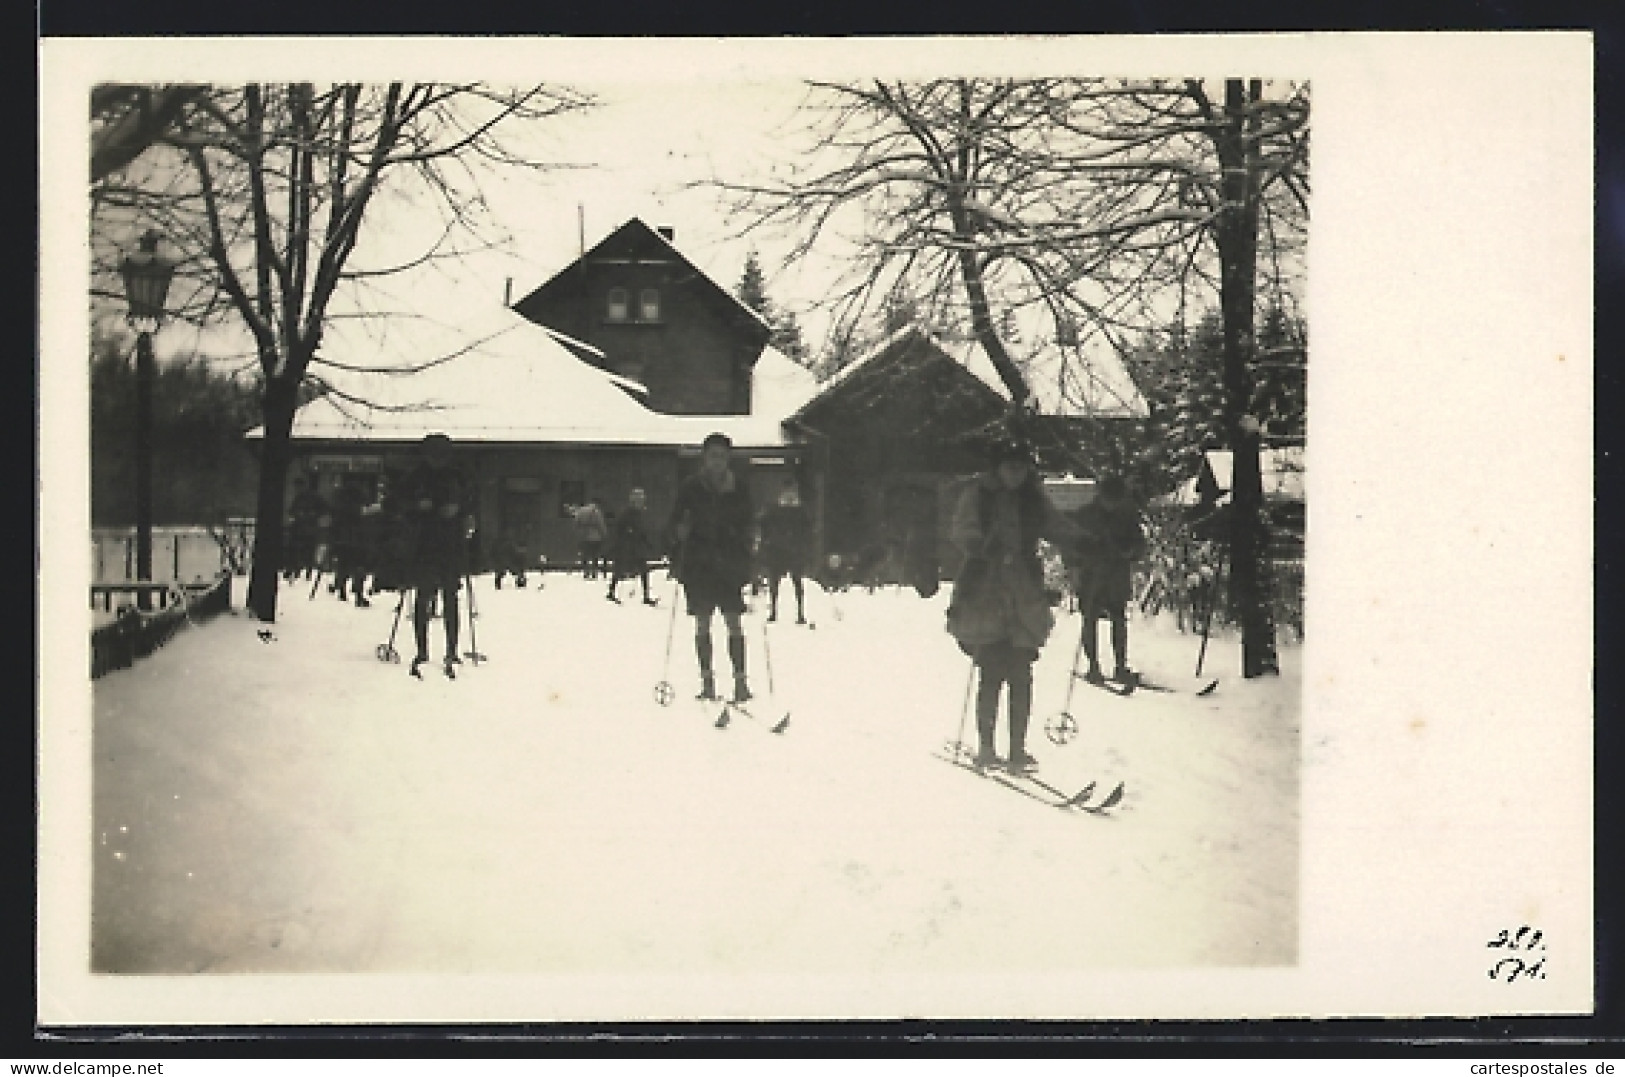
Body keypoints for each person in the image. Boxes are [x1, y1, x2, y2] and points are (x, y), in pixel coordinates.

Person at [945, 437, 1078, 774]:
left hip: (1023, 590)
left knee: (1021, 672)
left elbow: (1056, 525)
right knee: (991, 669)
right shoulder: (979, 495)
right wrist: (979, 545)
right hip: (984, 587)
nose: (1016, 475)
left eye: (1022, 468)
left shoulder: (1033, 498)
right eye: (1010, 468)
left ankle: (1017, 748)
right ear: (998, 468)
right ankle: (987, 747)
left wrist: (1084, 540)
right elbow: (961, 530)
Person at [667, 432, 755, 702]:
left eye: (722, 456)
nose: (717, 461)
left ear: (728, 458)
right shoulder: (691, 487)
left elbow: (748, 521)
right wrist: (678, 531)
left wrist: (751, 544)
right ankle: (707, 682)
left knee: (733, 621)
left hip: (729, 562)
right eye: (712, 455)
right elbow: (674, 520)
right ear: (705, 458)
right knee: (703, 622)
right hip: (699, 563)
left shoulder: (739, 488)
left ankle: (740, 683)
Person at [394, 433, 475, 678]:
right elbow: (399, 505)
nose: (436, 459)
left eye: (441, 455)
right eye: (432, 454)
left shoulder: (458, 476)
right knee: (424, 594)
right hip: (424, 543)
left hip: (451, 543)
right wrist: (417, 508)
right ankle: (422, 650)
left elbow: (470, 505)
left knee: (451, 596)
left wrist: (461, 514)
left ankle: (451, 649)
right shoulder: (415, 477)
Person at [1069, 474, 1148, 686]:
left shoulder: (1127, 516)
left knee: (1119, 620)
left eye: (1116, 498)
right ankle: (1093, 666)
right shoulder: (1084, 516)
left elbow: (1139, 544)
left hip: (1116, 576)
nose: (1111, 503)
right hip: (1090, 576)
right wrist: (1076, 566)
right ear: (1100, 495)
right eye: (1108, 498)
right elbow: (1070, 543)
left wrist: (1129, 551)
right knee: (1090, 620)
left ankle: (1120, 666)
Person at [756, 481, 813, 624]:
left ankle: (800, 613)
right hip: (778, 550)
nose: (789, 495)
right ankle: (774, 611)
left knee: (797, 582)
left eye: (791, 492)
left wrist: (805, 545)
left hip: (794, 550)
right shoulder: (774, 510)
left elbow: (808, 530)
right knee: (774, 582)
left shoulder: (800, 511)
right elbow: (763, 525)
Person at [607, 487, 658, 605]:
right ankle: (611, 591)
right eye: (640, 500)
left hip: (636, 545)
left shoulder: (639, 513)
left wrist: (647, 542)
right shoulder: (627, 513)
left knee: (643, 569)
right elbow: (619, 528)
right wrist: (627, 533)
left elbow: (641, 530)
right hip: (627, 545)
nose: (642, 503)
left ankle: (646, 595)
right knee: (620, 568)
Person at [327, 475, 371, 606]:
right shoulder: (359, 496)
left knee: (344, 565)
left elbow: (333, 516)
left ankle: (342, 589)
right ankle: (357, 593)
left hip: (342, 536)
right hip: (356, 536)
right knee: (358, 565)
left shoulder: (338, 497)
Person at [283, 476, 327, 581]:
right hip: (299, 528)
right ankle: (294, 569)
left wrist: (314, 516)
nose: (297, 489)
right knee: (295, 549)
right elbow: (292, 511)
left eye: (299, 487)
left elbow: (324, 509)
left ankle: (308, 570)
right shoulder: (298, 498)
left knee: (308, 549)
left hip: (310, 528)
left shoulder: (314, 498)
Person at [573, 498, 607, 579]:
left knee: (585, 555)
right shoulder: (596, 511)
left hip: (583, 536)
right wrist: (604, 534)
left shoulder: (581, 511)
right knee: (594, 555)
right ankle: (594, 571)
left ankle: (586, 571)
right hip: (595, 537)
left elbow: (576, 523)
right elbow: (600, 524)